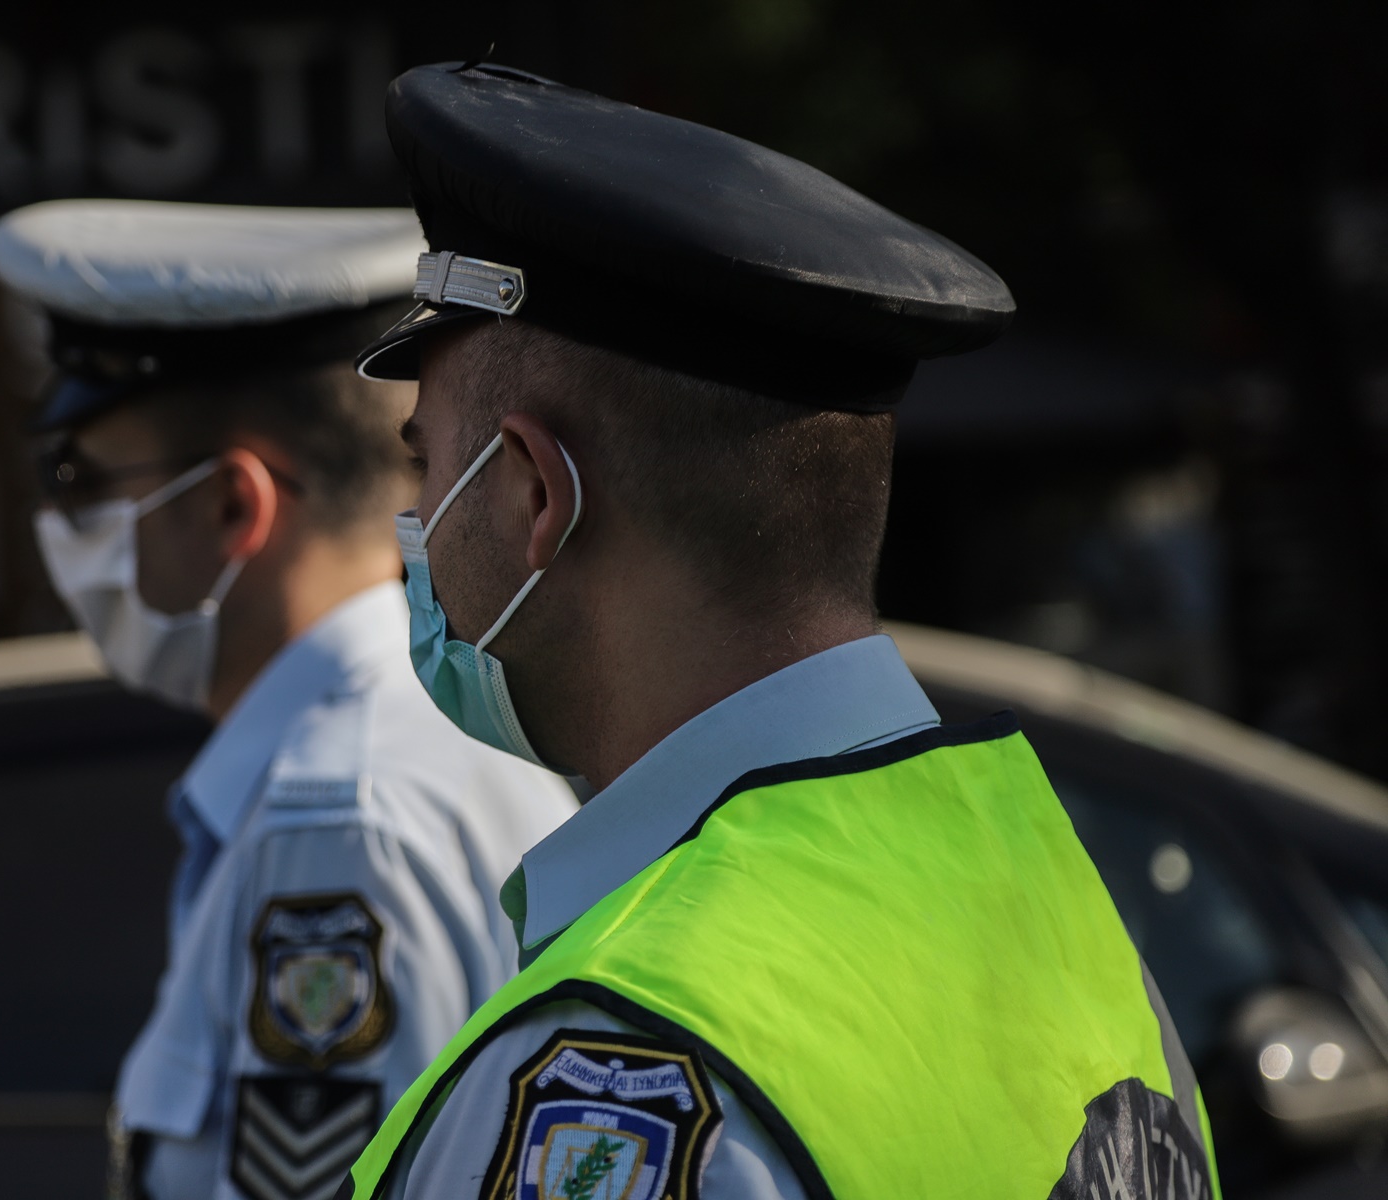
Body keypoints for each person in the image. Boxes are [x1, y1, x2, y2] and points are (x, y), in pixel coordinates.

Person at [337, 65, 1223, 1200]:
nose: (410, 522)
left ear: (532, 496)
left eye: (424, 461)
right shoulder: (1049, 893)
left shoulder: (625, 1075)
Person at [0, 200, 578, 1200]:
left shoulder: (339, 814)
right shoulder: (437, 737)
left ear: (233, 506)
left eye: (81, 476)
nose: (58, 522)